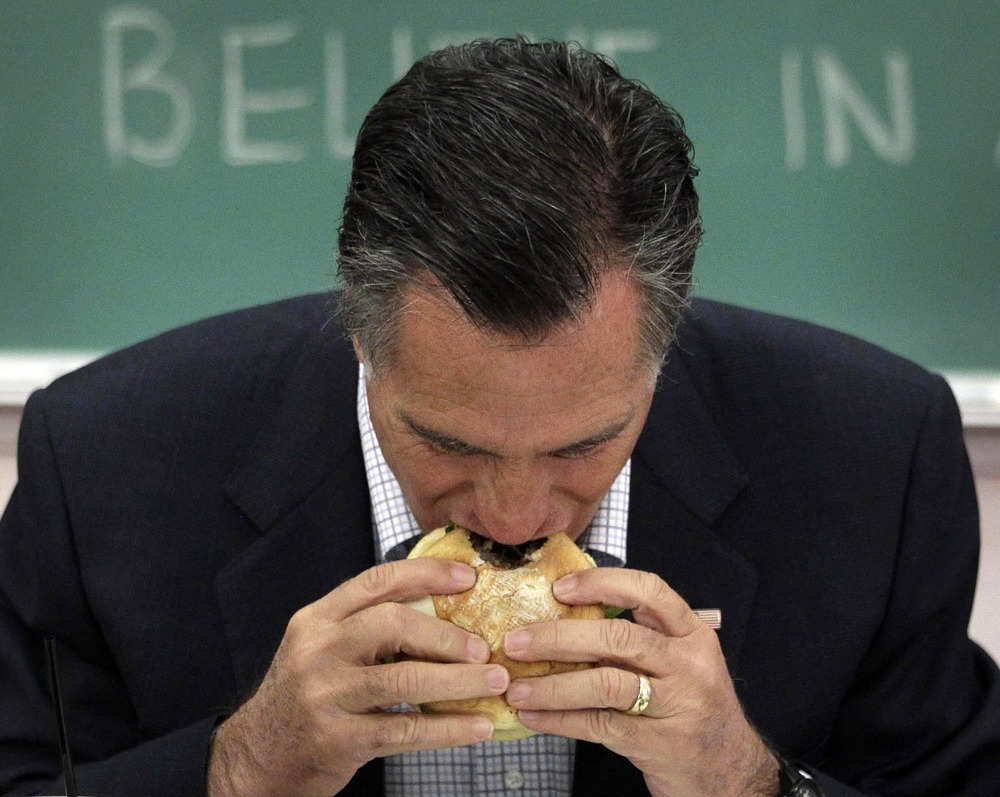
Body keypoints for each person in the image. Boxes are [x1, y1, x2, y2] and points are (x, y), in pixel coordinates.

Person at [1, 37, 998, 797]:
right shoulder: (101, 467)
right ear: (356, 330)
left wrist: (750, 779)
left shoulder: (874, 456)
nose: (519, 516)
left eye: (584, 443)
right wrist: (237, 766)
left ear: (667, 340)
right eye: (446, 441)